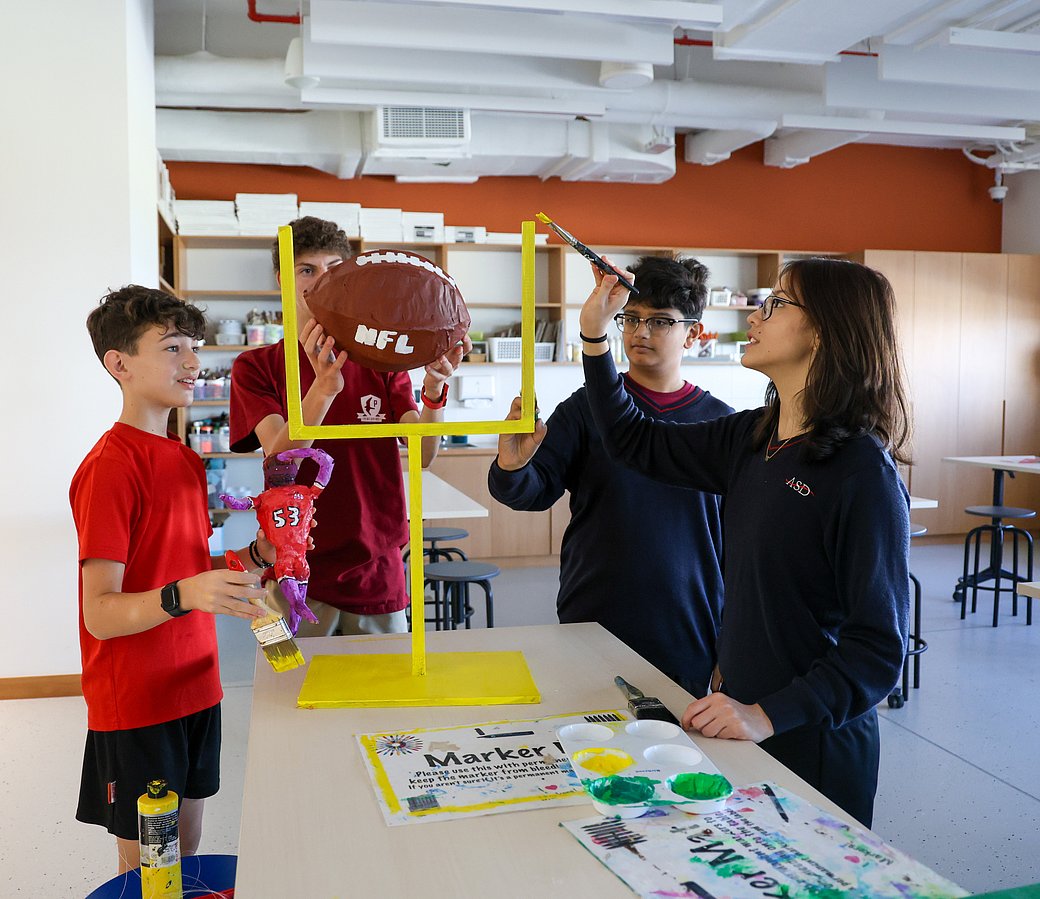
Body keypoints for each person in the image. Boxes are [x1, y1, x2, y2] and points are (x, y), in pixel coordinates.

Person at [578, 255, 911, 827]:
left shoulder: (861, 471)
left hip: (810, 739)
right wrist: (593, 340)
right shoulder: (754, 436)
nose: (757, 315)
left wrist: (768, 714)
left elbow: (878, 651)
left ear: (825, 330)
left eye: (777, 304)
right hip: (738, 722)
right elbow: (635, 440)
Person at [71, 284, 274, 874]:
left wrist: (255, 557)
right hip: (137, 701)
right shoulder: (111, 466)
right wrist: (186, 593)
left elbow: (187, 573)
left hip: (198, 683)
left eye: (195, 347)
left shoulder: (184, 459)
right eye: (173, 348)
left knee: (184, 852)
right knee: (148, 868)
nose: (193, 363)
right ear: (120, 365)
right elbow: (101, 613)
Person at [488, 256, 732, 696]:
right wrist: (512, 464)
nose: (640, 333)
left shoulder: (719, 423)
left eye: (660, 321)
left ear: (692, 333)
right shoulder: (585, 409)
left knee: (679, 756)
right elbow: (532, 492)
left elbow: (737, 546)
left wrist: (731, 643)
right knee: (589, 745)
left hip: (688, 624)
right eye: (631, 319)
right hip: (594, 610)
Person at [230, 216, 468, 636]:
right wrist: (323, 390)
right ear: (283, 280)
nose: (321, 281)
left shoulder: (381, 360)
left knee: (384, 694)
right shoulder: (255, 366)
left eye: (333, 269)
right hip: (289, 567)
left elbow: (424, 454)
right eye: (307, 270)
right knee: (285, 689)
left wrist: (434, 388)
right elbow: (280, 459)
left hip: (376, 566)